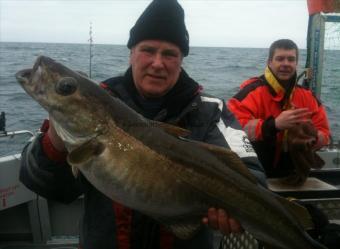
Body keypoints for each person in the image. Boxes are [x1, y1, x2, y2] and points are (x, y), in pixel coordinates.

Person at [20, 0, 266, 248]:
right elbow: (48, 187)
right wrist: (55, 141)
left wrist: (235, 209)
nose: (157, 63)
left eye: (170, 54)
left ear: (181, 60)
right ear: (131, 54)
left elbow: (252, 179)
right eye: (148, 50)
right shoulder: (97, 100)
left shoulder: (210, 111)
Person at [228, 39, 331, 179]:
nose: (286, 64)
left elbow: (324, 132)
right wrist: (273, 125)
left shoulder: (307, 97)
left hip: (294, 173)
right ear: (270, 62)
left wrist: (312, 138)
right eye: (280, 59)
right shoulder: (251, 92)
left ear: (296, 63)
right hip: (255, 172)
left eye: (291, 59)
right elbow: (231, 127)